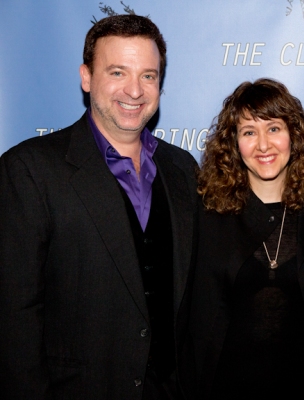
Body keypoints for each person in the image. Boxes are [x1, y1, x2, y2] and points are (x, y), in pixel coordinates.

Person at [0, 15, 198, 400]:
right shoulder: (29, 170)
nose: (135, 91)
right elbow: (12, 317)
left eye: (148, 75)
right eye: (118, 72)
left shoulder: (183, 170)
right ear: (86, 77)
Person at [188, 78, 304, 399]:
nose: (263, 145)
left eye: (273, 128)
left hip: (303, 386)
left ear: (294, 136)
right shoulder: (206, 212)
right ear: (233, 143)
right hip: (223, 388)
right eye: (248, 132)